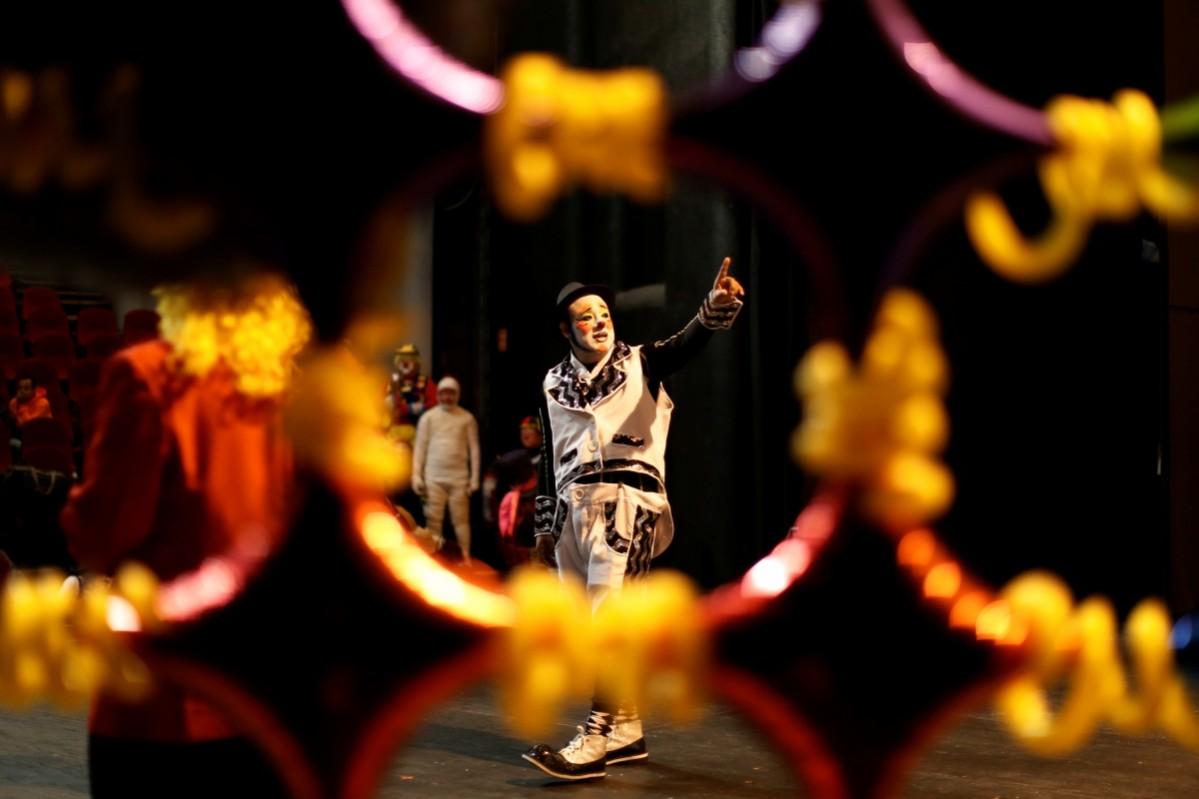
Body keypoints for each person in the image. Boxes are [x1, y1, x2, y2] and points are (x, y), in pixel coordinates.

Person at [59, 272, 309, 798]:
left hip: (163, 698)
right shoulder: (286, 391)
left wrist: (77, 515)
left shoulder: (148, 374)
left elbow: (107, 529)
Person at [522, 257, 745, 781]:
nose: (598, 321)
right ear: (565, 329)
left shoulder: (643, 361)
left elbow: (686, 343)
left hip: (629, 498)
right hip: (575, 508)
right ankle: (626, 729)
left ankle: (594, 738)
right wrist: (544, 525)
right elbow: (550, 454)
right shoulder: (553, 382)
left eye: (603, 312)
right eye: (585, 316)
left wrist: (713, 309)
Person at [412, 376, 481, 563]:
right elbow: (420, 448)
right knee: (433, 521)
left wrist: (474, 478)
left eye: (451, 393)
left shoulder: (467, 418)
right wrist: (416, 476)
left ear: (457, 394)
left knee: (461, 521)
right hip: (433, 478)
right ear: (438, 394)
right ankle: (435, 558)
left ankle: (465, 557)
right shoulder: (428, 418)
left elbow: (474, 450)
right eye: (443, 393)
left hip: (459, 479)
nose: (447, 397)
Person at [485, 415, 543, 567]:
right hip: (519, 519)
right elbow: (491, 478)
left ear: (540, 433)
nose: (526, 433)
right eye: (523, 430)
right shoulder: (513, 459)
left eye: (531, 429)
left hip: (541, 516)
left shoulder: (549, 458)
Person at [385, 343, 438, 443]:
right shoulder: (390, 384)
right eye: (401, 360)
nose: (405, 363)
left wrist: (410, 409)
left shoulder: (426, 383)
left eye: (409, 359)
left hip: (418, 432)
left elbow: (435, 406)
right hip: (393, 434)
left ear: (417, 363)